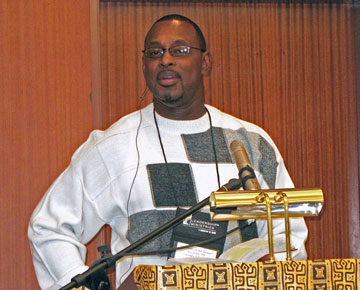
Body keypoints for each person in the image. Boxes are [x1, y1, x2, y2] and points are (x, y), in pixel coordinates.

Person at [28, 14, 308, 290]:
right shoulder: (114, 146)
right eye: (155, 52)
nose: (165, 59)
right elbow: (49, 228)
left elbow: (287, 237)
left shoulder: (250, 144)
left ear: (205, 63)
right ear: (144, 65)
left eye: (180, 50)